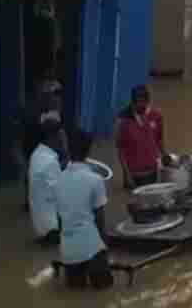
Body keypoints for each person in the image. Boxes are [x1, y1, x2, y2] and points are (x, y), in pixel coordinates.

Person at [55, 130, 113, 290]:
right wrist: (104, 249)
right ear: (88, 151)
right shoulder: (95, 180)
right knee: (104, 291)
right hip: (92, 247)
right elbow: (100, 218)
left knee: (75, 292)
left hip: (68, 251)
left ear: (68, 150)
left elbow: (60, 219)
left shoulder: (58, 180)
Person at [115, 85, 173, 189]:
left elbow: (159, 139)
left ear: (148, 102)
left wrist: (165, 155)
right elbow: (120, 150)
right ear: (132, 103)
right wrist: (127, 175)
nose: (141, 106)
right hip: (133, 175)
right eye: (138, 103)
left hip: (152, 173)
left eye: (143, 103)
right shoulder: (123, 120)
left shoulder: (156, 116)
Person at [18, 79, 63, 211]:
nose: (57, 98)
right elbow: (19, 140)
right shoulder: (31, 111)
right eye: (54, 94)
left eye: (58, 94)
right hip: (32, 149)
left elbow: (59, 134)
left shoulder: (55, 110)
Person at [28, 117, 65, 245]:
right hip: (52, 229)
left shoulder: (37, 154)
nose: (63, 139)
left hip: (41, 226)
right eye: (61, 135)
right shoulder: (49, 161)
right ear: (52, 137)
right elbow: (61, 196)